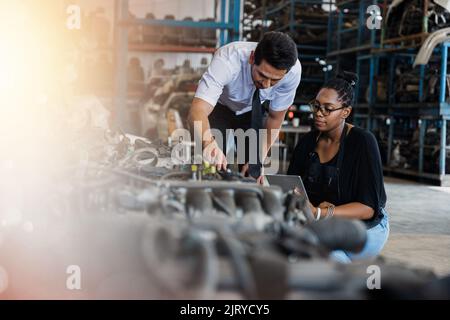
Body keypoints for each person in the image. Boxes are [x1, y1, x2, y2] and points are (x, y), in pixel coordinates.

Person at [287, 71, 390, 263]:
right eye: (316, 106)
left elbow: (368, 208)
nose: (319, 113)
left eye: (328, 109)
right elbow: (292, 186)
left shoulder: (362, 142)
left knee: (327, 259)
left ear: (345, 112)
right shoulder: (307, 143)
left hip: (365, 226)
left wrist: (322, 213)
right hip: (322, 220)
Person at [188, 32, 302, 182]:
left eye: (274, 80)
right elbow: (198, 110)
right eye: (262, 75)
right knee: (210, 165)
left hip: (251, 112)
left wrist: (258, 157)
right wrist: (208, 143)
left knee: (253, 172)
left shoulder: (292, 73)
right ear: (252, 58)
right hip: (218, 108)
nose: (266, 85)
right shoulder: (227, 59)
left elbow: (275, 118)